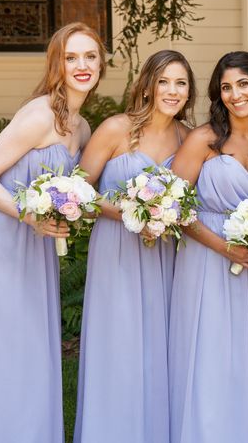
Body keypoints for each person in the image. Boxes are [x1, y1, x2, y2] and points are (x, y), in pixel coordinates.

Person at [0, 22, 105, 442]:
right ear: (57, 65)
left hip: (36, 242)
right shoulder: (40, 114)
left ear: (102, 63)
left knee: (30, 346)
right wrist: (27, 215)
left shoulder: (82, 128)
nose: (82, 65)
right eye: (71, 57)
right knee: (3, 346)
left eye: (90, 56)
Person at [74, 49, 193, 443]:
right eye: (165, 81)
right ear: (148, 84)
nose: (173, 91)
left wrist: (164, 216)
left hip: (162, 255)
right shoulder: (115, 128)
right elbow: (78, 195)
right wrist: (130, 212)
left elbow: (189, 201)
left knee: (158, 347)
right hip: (116, 251)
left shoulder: (187, 138)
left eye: (181, 83)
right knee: (118, 345)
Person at [168, 51, 248, 442]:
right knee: (210, 356)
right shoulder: (204, 139)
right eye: (226, 87)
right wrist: (223, 247)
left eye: (243, 84)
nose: (235, 94)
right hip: (206, 260)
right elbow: (172, 207)